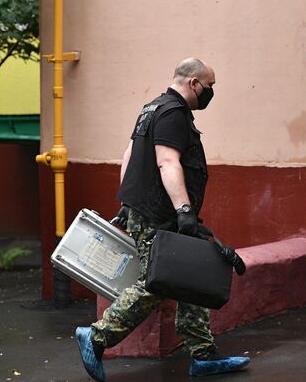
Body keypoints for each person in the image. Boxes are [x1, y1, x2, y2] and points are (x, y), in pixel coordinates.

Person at [74, 58, 250, 381]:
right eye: (210, 86)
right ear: (194, 83)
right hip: (162, 214)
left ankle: (203, 354)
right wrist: (184, 212)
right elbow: (168, 162)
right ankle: (96, 336)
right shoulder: (173, 113)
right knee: (156, 281)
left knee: (189, 274)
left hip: (152, 210)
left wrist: (127, 203)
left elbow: (127, 157)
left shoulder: (151, 109)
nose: (212, 92)